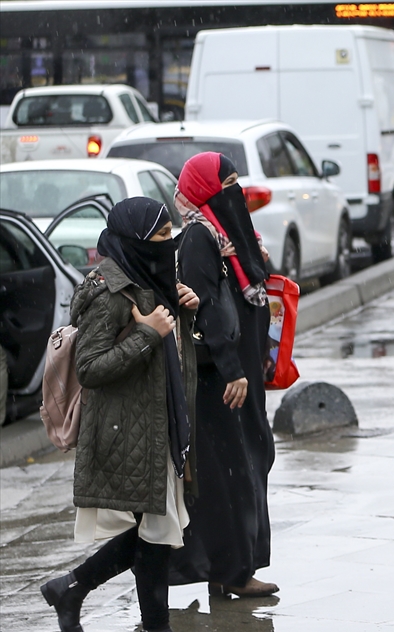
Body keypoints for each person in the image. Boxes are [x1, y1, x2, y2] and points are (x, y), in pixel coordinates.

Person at [39, 198, 212, 632]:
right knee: (158, 528)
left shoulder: (146, 278)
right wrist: (148, 333)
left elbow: (168, 354)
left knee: (157, 528)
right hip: (128, 428)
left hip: (156, 424)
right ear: (137, 241)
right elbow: (91, 368)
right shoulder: (110, 293)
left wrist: (183, 311)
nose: (169, 244)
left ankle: (73, 588)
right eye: (161, 237)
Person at [169, 152, 278, 598]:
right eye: (226, 185)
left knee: (251, 462)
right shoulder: (200, 237)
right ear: (205, 191)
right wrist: (233, 369)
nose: (235, 192)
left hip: (243, 372)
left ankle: (230, 568)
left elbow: (250, 290)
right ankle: (232, 571)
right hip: (221, 379)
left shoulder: (227, 235)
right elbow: (206, 308)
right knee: (234, 473)